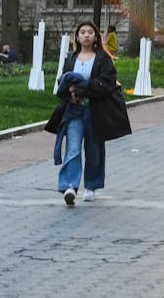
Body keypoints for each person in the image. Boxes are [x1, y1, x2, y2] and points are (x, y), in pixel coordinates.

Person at [45, 21, 132, 206]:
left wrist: (83, 88)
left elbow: (107, 83)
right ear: (77, 37)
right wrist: (69, 89)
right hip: (74, 110)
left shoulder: (102, 58)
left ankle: (91, 185)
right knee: (73, 148)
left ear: (95, 37)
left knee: (94, 149)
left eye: (90, 32)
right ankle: (70, 186)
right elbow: (63, 81)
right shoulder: (71, 58)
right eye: (82, 32)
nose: (86, 35)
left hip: (95, 111)